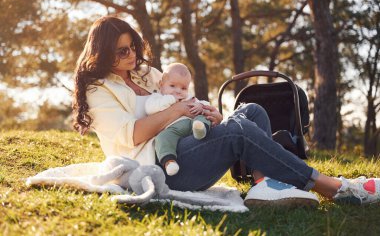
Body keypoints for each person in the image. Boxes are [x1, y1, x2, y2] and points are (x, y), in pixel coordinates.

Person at [72, 15, 380, 206]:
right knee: (239, 131)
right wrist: (178, 111)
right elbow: (132, 134)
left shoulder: (146, 73)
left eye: (133, 47)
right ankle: (334, 187)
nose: (131, 55)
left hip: (187, 143)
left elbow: (182, 99)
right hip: (163, 166)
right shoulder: (98, 89)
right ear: (102, 53)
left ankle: (262, 185)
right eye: (121, 51)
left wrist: (208, 114)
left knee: (253, 111)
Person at [145, 63, 211, 176]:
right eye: (172, 86)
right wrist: (171, 99)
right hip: (173, 129)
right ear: (161, 84)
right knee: (162, 138)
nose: (178, 91)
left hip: (192, 124)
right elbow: (149, 108)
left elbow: (205, 104)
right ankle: (169, 162)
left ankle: (201, 129)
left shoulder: (188, 97)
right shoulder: (158, 97)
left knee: (202, 116)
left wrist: (201, 106)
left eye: (183, 88)